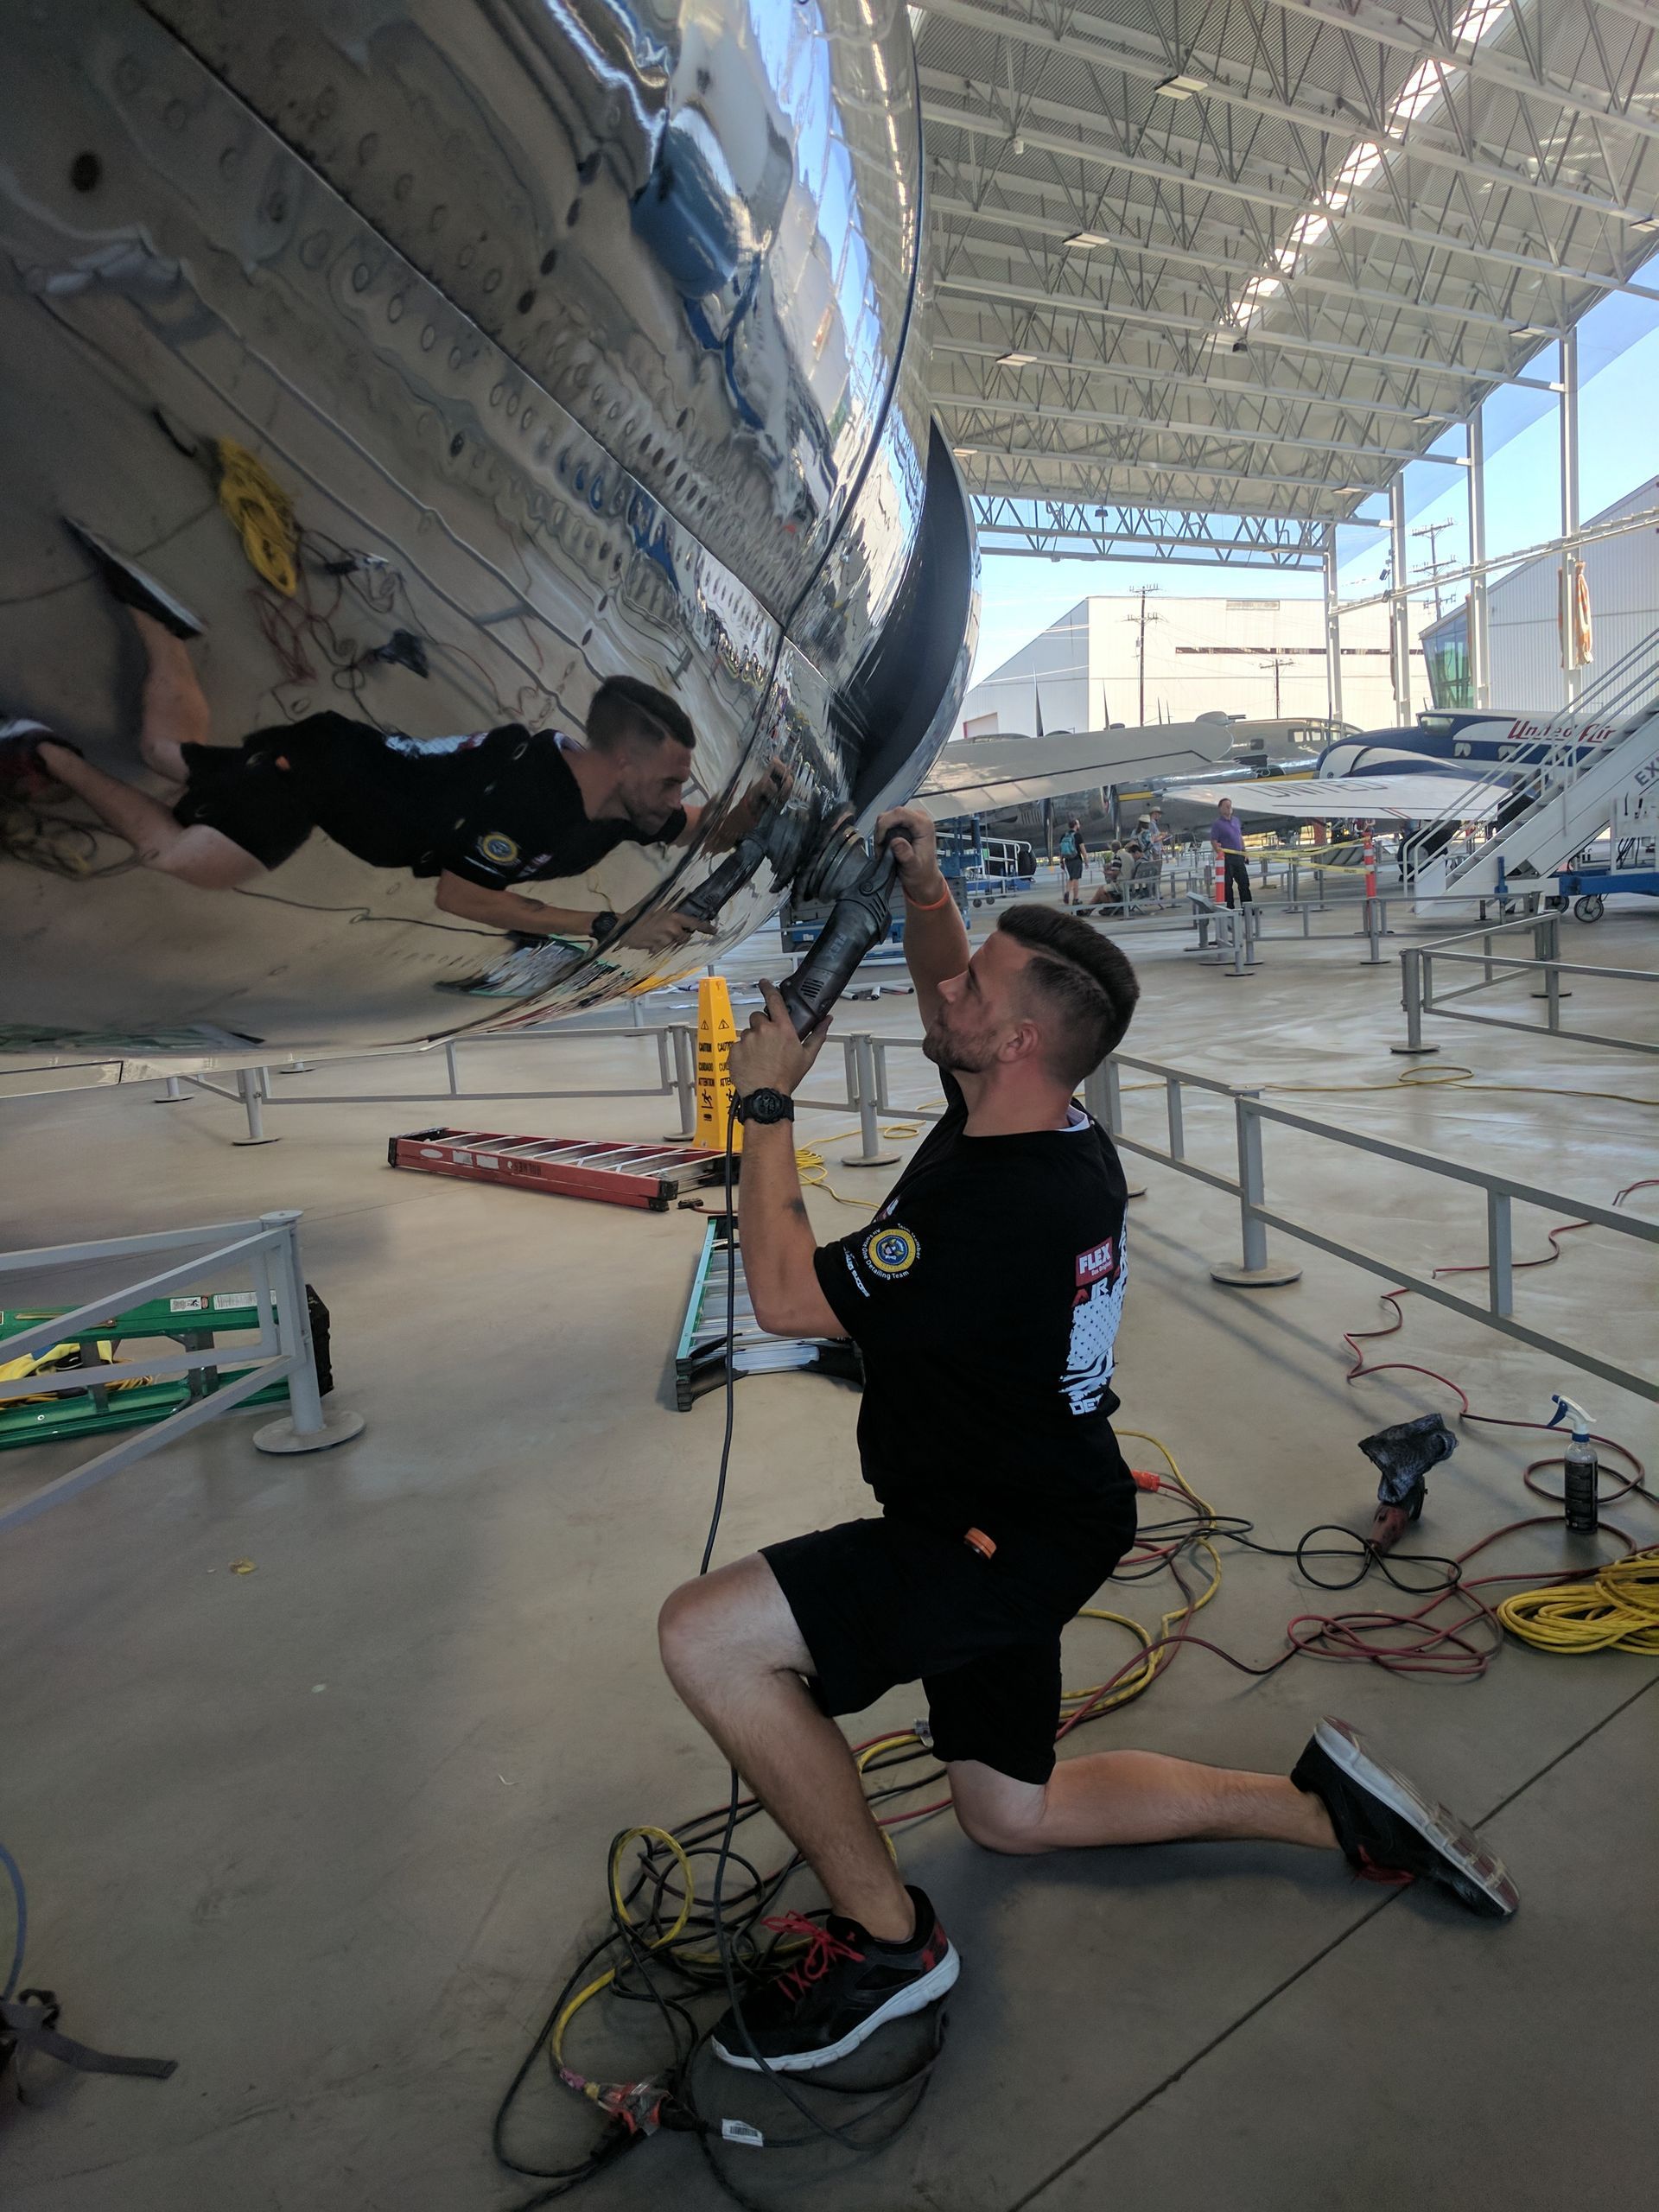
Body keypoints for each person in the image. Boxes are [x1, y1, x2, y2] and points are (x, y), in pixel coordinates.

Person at [657, 803, 1516, 2075]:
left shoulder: (1000, 1203)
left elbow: (787, 1301)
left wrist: (767, 1100)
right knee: (1011, 1812)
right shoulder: (1038, 1121)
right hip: (1051, 1508)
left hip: (985, 1539)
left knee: (705, 1636)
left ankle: (891, 1945)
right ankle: (1314, 1807)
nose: (940, 987)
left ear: (1009, 1042)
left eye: (973, 985)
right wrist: (928, 885)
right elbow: (960, 984)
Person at [0, 532, 778, 953]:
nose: (679, 799)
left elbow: (705, 830)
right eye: (673, 782)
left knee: (169, 758)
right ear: (625, 761)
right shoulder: (532, 803)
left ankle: (160, 626)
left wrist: (764, 805)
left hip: (338, 754)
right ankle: (42, 749)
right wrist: (608, 926)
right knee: (186, 857)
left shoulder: (616, 801)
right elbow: (462, 895)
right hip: (317, 777)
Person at [1209, 796, 1252, 910]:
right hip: (1227, 857)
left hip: (1238, 855)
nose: (1229, 808)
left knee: (1244, 882)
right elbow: (1213, 841)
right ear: (1220, 809)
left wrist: (1244, 852)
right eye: (1226, 806)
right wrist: (1219, 853)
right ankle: (1230, 908)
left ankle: (1247, 908)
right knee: (1228, 884)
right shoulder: (1217, 824)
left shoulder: (1236, 821)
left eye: (1230, 806)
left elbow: (1239, 837)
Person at [1057, 816, 1087, 906]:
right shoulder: (1077, 835)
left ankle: (1067, 892)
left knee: (1071, 878)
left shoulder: (1064, 835)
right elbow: (1082, 849)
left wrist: (1061, 861)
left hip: (1067, 860)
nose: (1079, 825)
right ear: (1076, 825)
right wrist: (1086, 860)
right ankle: (1076, 899)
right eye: (1078, 824)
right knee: (1076, 878)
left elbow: (1061, 849)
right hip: (1076, 859)